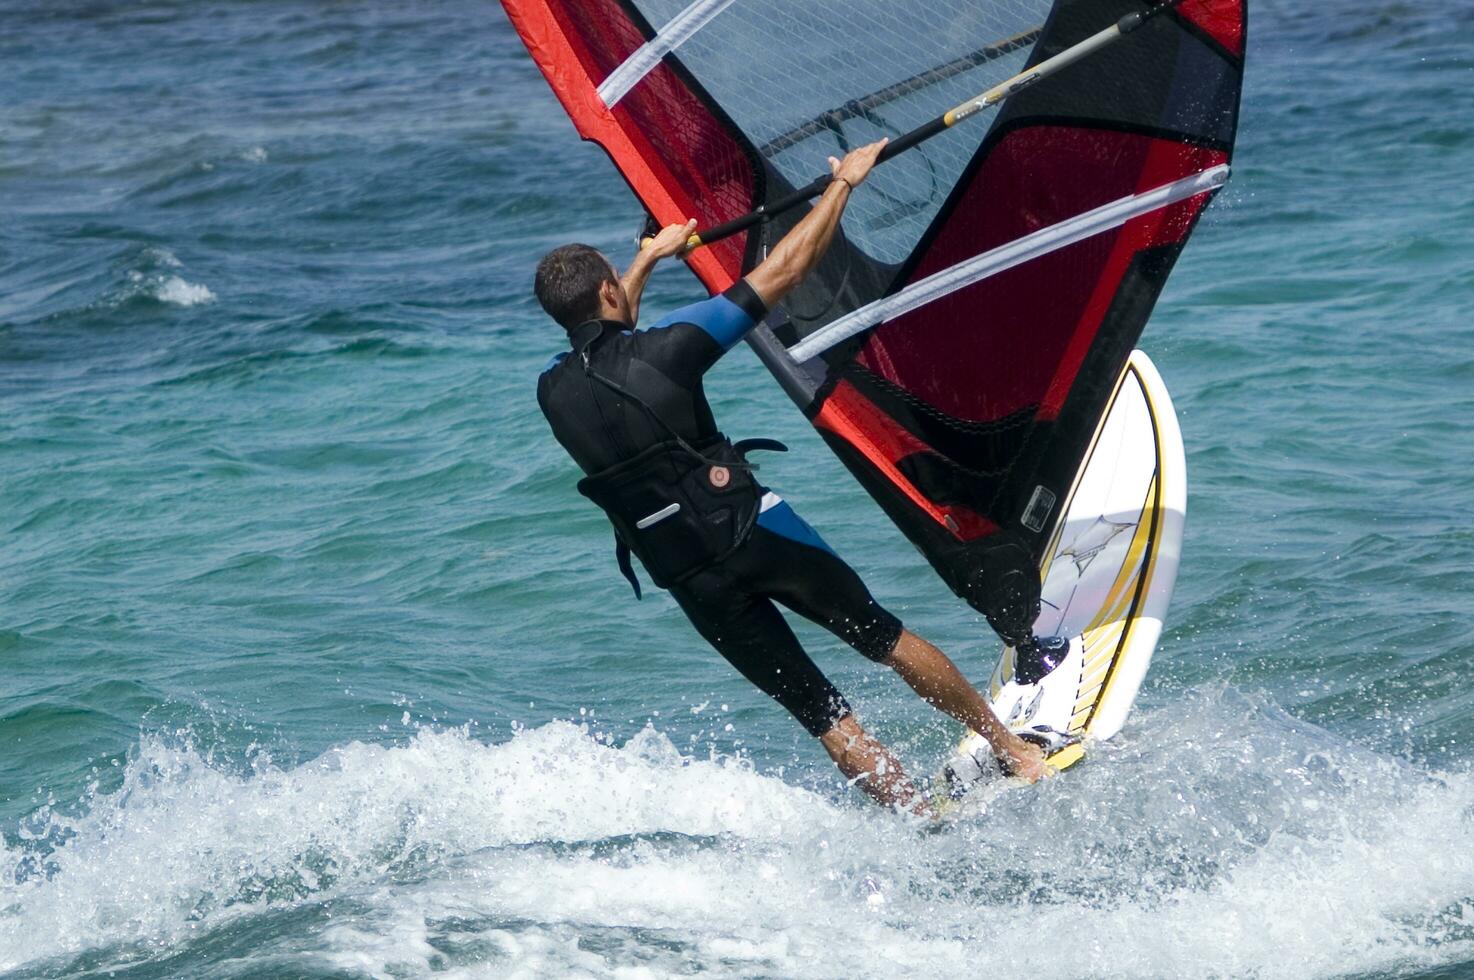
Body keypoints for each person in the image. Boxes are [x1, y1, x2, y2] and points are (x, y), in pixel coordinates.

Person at [534, 138, 1047, 814]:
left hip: (690, 577)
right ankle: (1015, 753)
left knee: (825, 718)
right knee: (884, 640)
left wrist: (647, 260)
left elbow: (602, 330)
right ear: (607, 290)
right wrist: (844, 186)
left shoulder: (553, 391)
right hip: (755, 533)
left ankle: (922, 822)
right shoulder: (671, 349)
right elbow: (783, 271)